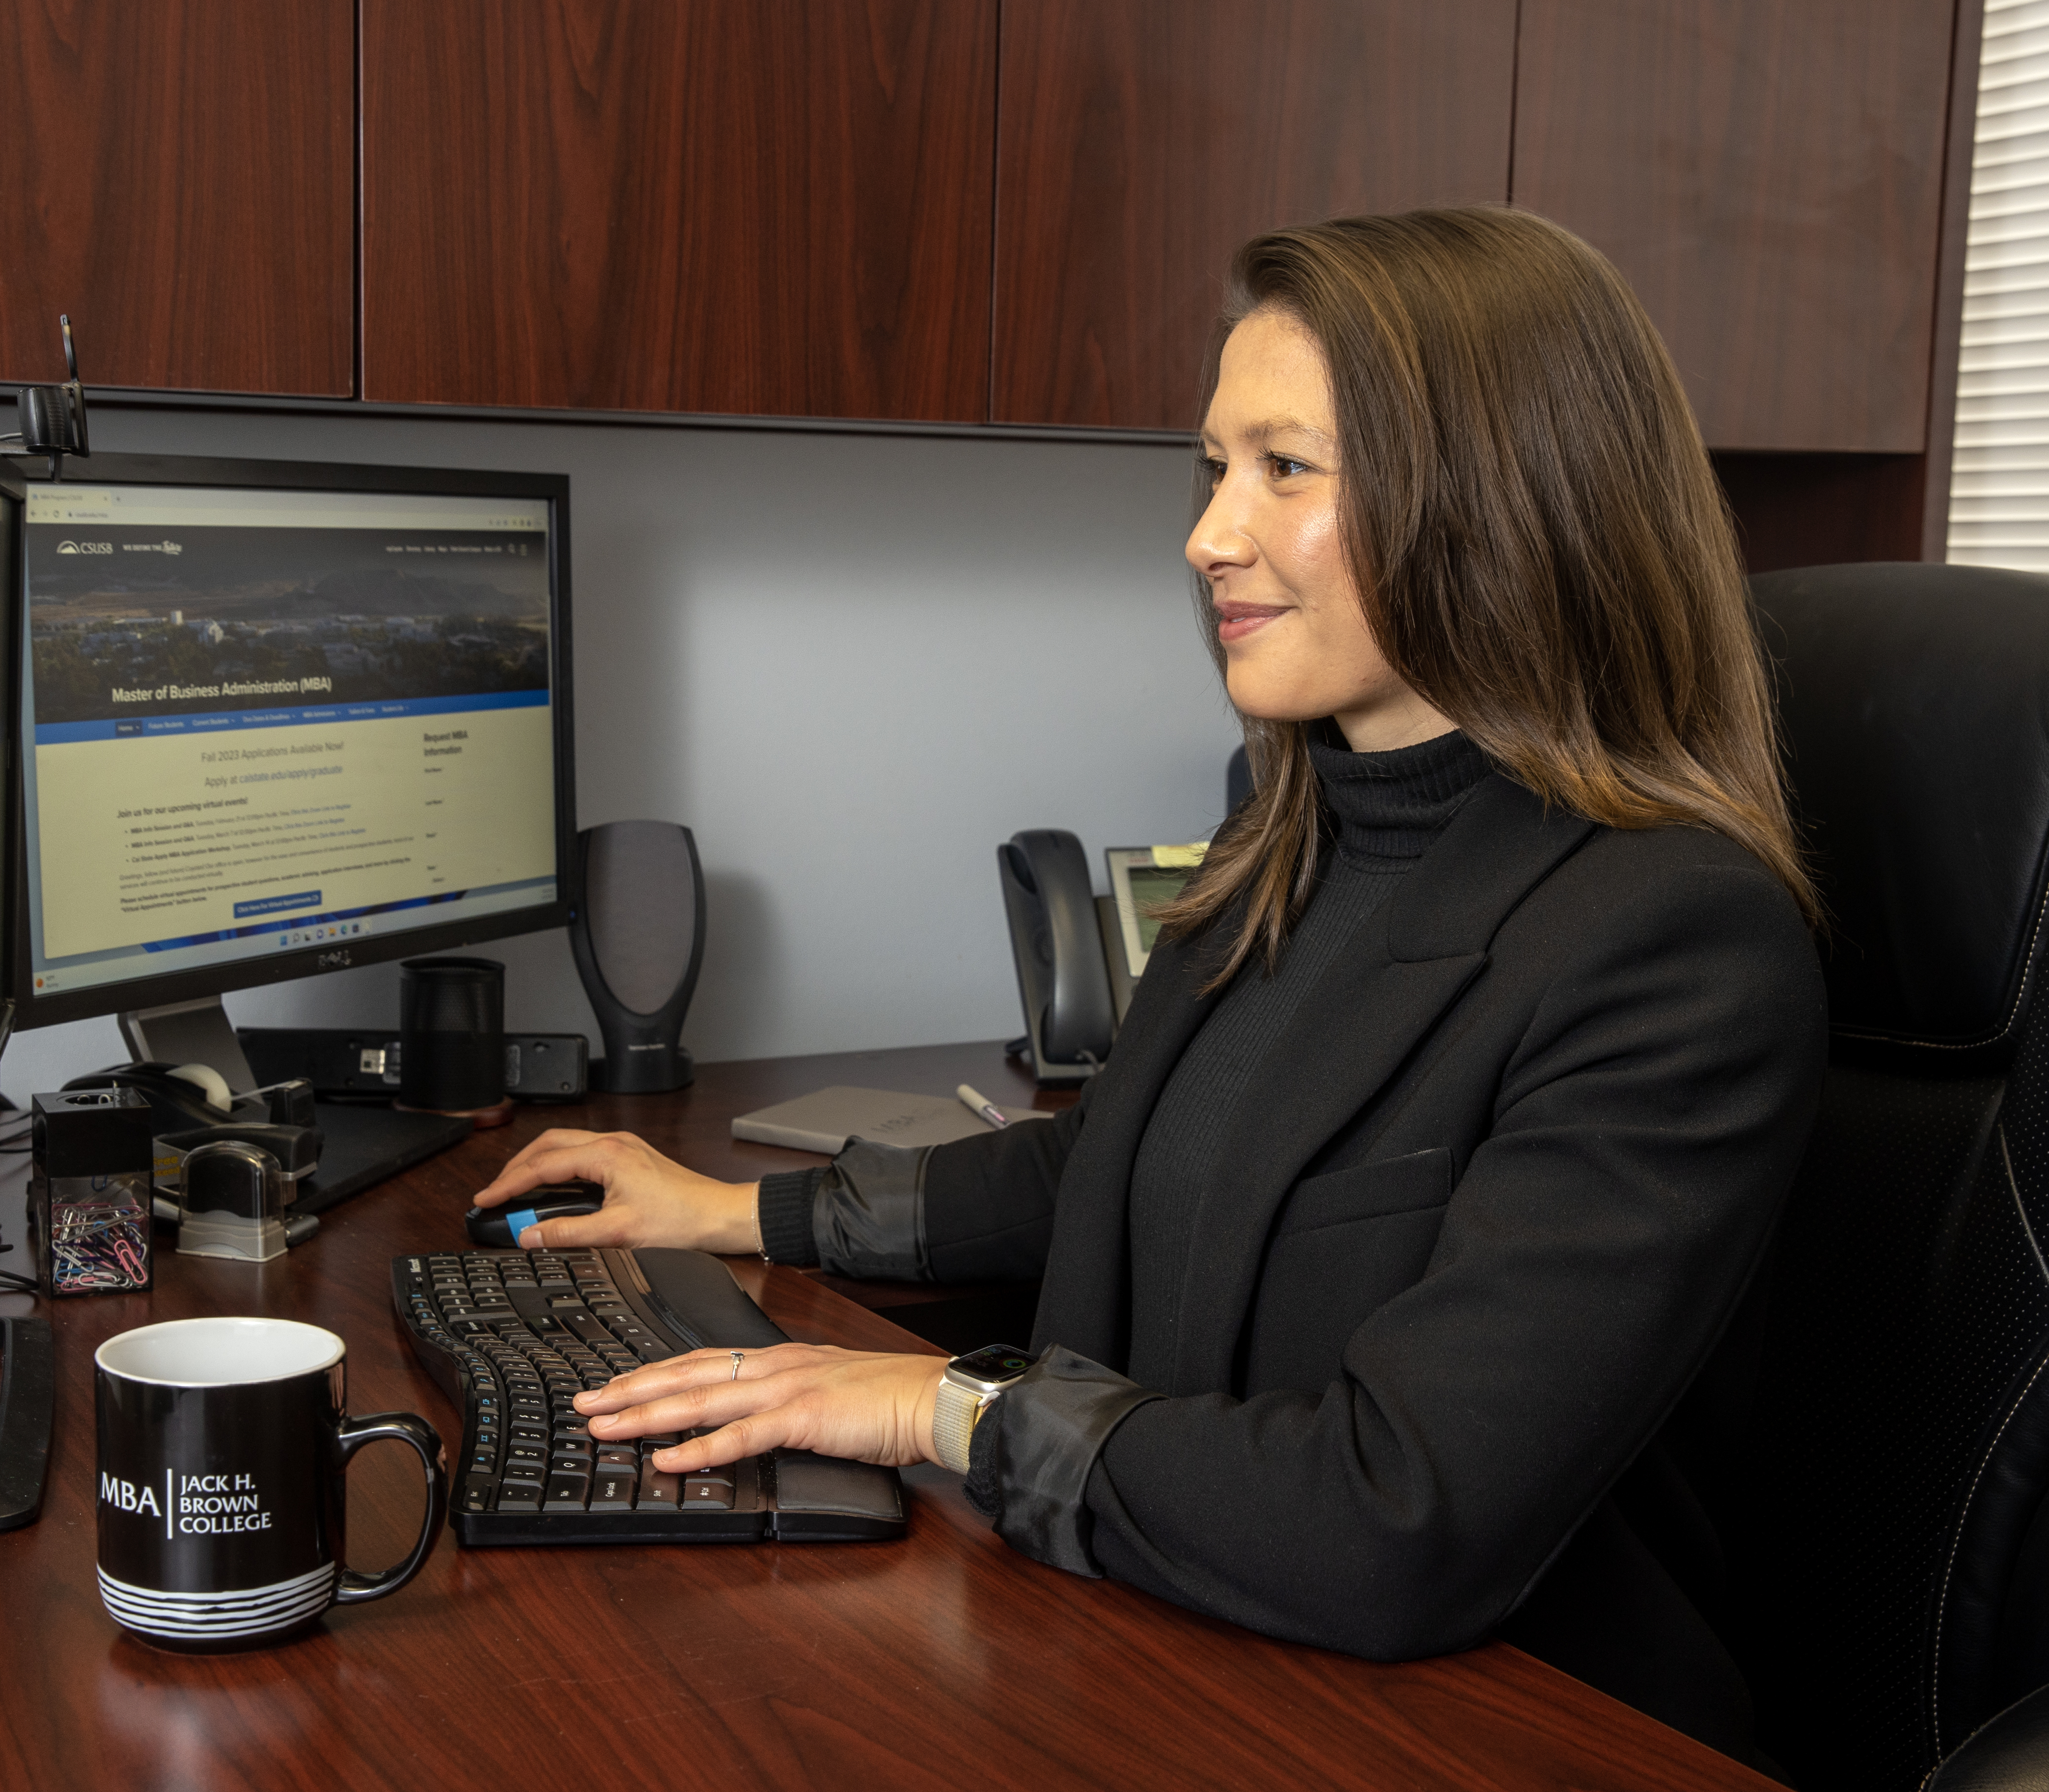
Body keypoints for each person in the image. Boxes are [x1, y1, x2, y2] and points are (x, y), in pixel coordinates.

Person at [472, 207, 1825, 1767]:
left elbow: (1399, 1517)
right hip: (1172, 1648)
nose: (1208, 535)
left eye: (1285, 469)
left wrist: (943, 1409)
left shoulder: (1676, 944)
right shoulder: (1289, 830)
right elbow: (1121, 1156)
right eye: (1212, 468)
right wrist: (738, 1214)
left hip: (1483, 1731)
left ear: (1500, 500)